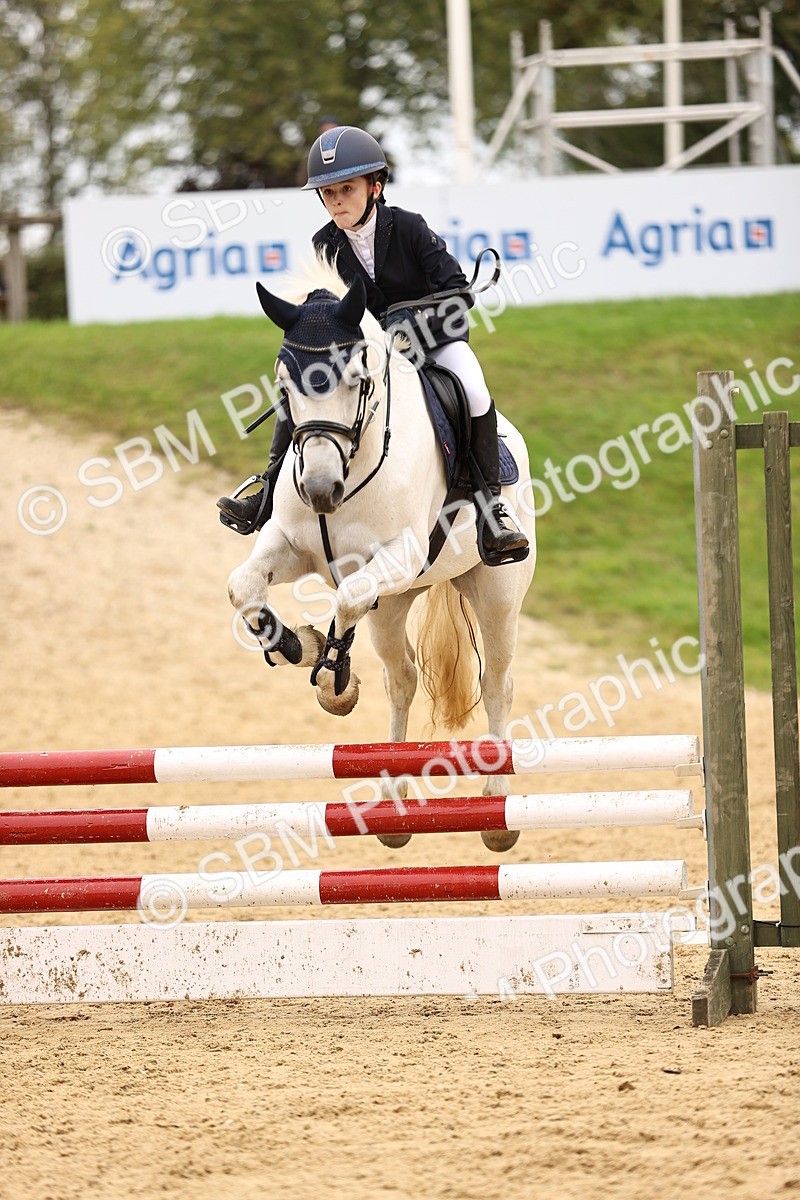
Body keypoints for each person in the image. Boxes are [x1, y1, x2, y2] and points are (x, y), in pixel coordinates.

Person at [218, 124, 528, 563]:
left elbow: (458, 294)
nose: (336, 201)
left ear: (375, 187)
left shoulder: (409, 228)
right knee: (306, 386)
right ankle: (269, 488)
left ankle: (493, 507)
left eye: (346, 188)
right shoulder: (324, 244)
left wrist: (412, 321)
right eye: (327, 193)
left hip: (432, 344)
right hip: (366, 356)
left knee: (474, 389)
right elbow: (324, 313)